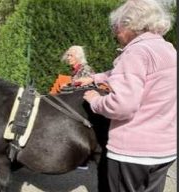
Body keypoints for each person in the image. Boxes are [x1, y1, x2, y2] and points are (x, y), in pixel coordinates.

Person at [75, 0, 176, 191]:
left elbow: (122, 106)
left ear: (131, 24)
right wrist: (95, 78)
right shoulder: (166, 49)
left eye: (116, 25)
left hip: (133, 153)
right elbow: (137, 75)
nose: (115, 31)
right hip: (165, 151)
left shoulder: (135, 52)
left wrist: (95, 100)